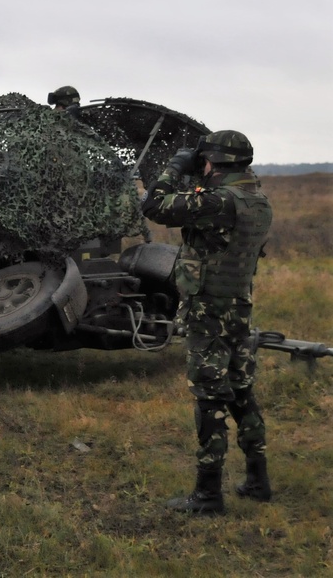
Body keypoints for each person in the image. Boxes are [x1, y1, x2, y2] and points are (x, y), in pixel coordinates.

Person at [141, 130, 273, 515]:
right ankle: (257, 479)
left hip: (208, 314)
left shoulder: (218, 201)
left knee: (210, 398)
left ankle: (208, 494)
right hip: (238, 309)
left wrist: (173, 168)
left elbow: (153, 206)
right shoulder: (257, 199)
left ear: (214, 162)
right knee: (242, 391)